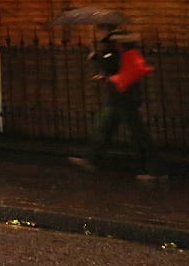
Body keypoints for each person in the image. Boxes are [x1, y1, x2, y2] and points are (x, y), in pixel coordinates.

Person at [71, 20, 166, 179]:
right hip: (121, 95)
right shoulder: (121, 41)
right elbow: (116, 68)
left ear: (105, 29)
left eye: (98, 29)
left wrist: (95, 56)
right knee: (104, 126)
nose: (97, 33)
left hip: (124, 96)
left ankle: (155, 170)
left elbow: (111, 63)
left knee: (138, 134)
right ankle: (91, 158)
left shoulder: (115, 42)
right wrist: (105, 72)